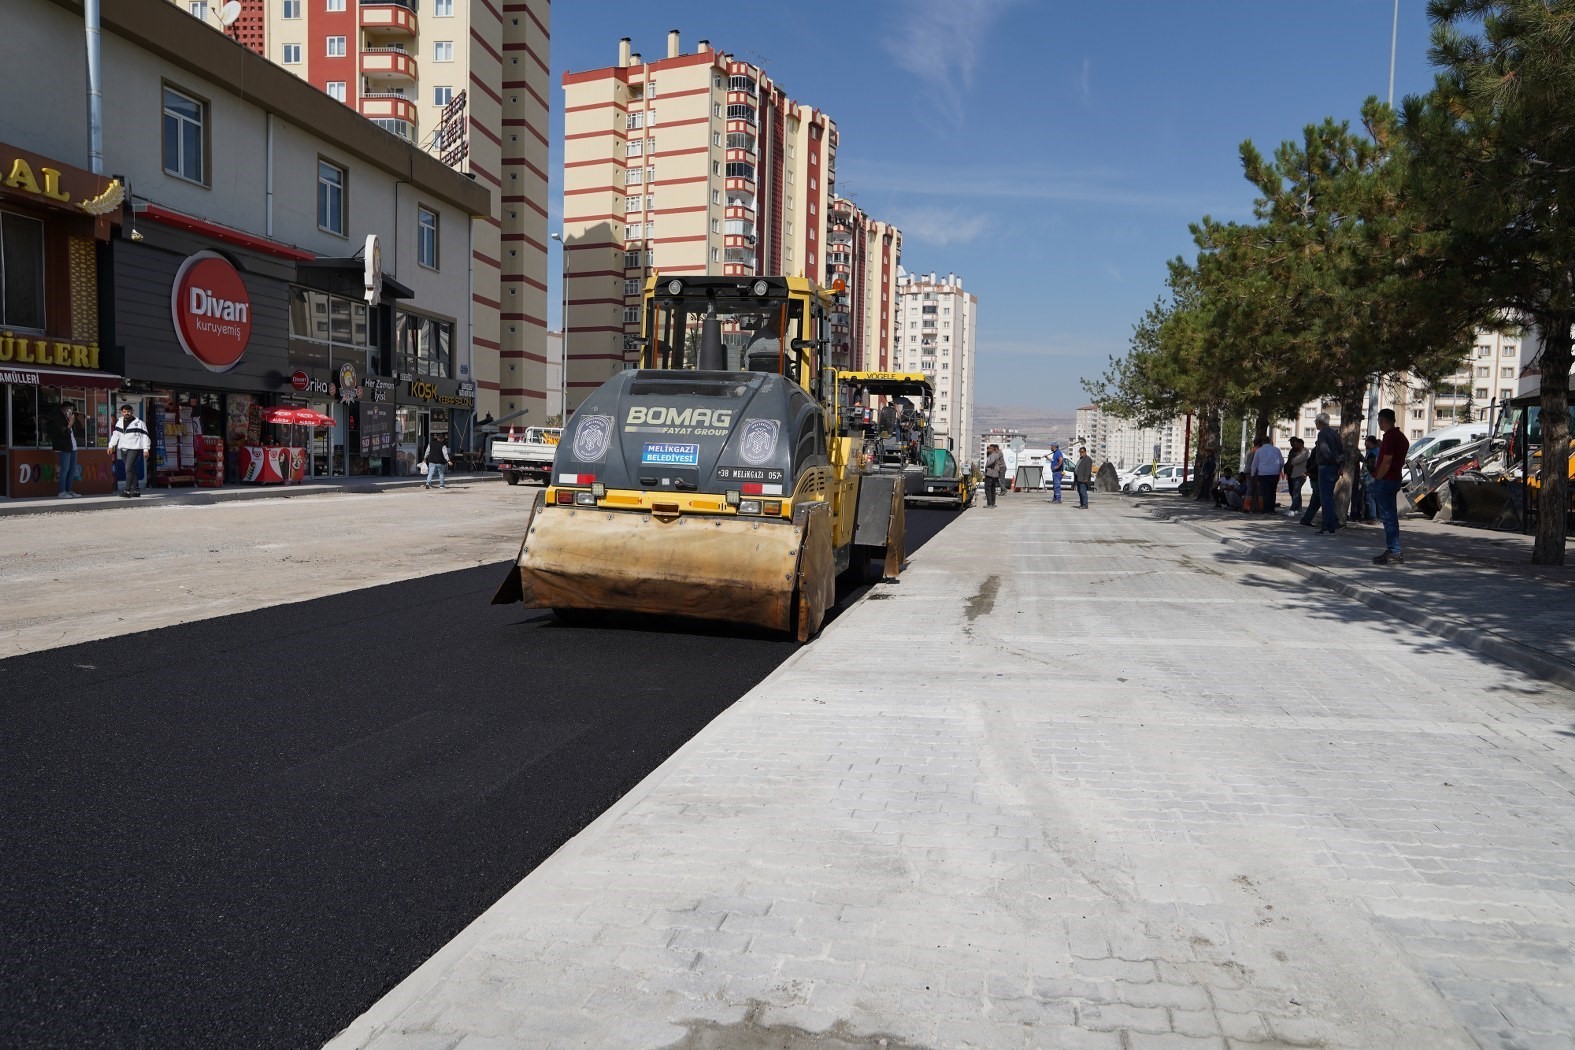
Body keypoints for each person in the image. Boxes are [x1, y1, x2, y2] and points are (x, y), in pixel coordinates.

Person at [1371, 408, 1410, 564]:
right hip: (1395, 479)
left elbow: (1386, 462)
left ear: (1382, 421)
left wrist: (1377, 478)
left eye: (1379, 421)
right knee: (1391, 517)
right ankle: (1393, 549)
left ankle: (1394, 551)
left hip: (1386, 480)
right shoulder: (1402, 437)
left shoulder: (1390, 438)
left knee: (1388, 518)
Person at [107, 404, 151, 498]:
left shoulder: (139, 423)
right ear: (122, 412)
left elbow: (145, 437)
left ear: (132, 412)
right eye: (124, 411)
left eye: (128, 411)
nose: (126, 413)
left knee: (128, 468)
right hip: (123, 449)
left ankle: (127, 490)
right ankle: (136, 490)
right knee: (131, 469)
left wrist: (146, 449)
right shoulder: (119, 422)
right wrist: (111, 446)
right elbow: (116, 435)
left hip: (135, 448)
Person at [1311, 412, 1345, 534]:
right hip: (1334, 469)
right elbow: (1342, 451)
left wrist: (1333, 460)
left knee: (1326, 498)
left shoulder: (1322, 434)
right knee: (1328, 497)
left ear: (1320, 422)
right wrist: (1340, 465)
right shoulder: (1335, 434)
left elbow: (1325, 450)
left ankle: (1328, 526)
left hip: (1326, 467)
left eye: (1316, 422)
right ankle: (1330, 524)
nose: (1315, 424)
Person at [47, 402, 82, 498]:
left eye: (72, 409)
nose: (72, 411)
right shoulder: (58, 419)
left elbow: (78, 429)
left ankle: (68, 490)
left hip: (73, 447)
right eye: (70, 409)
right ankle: (62, 492)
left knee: (72, 469)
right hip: (64, 447)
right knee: (65, 469)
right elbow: (64, 433)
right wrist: (70, 423)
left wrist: (73, 421)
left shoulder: (70, 418)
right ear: (64, 410)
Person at [1250, 435, 1284, 514]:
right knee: (1273, 491)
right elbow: (1282, 462)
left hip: (1263, 474)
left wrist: (1252, 474)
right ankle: (1272, 509)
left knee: (1266, 492)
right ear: (1270, 441)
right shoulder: (1276, 450)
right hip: (1274, 473)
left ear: (1262, 442)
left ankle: (1266, 509)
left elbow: (1254, 464)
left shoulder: (1259, 451)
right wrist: (1278, 469)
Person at [1285, 437, 1308, 514]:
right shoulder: (1292, 451)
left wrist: (1293, 460)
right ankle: (1298, 508)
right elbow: (1290, 461)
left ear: (1300, 444)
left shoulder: (1304, 451)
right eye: (1291, 443)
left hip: (1299, 474)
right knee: (1294, 491)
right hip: (1292, 474)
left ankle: (1292, 509)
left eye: (1294, 443)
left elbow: (1295, 461)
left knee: (1296, 491)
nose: (1292, 444)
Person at [983, 443, 1005, 508]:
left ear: (992, 449)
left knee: (988, 489)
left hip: (990, 474)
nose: (988, 449)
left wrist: (986, 465)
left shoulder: (992, 455)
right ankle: (992, 503)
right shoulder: (995, 455)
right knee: (993, 490)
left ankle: (989, 504)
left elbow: (991, 461)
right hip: (994, 474)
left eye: (989, 448)